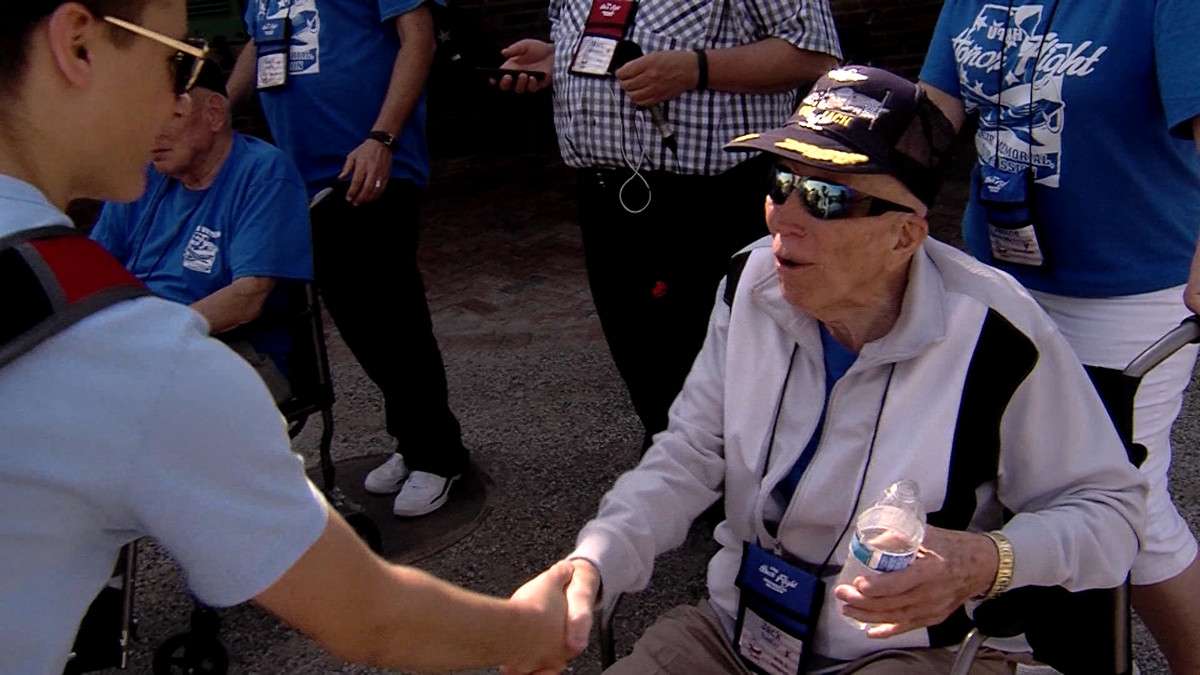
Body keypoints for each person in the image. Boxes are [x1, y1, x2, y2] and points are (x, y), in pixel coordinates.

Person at [0, 3, 576, 674]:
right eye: (174, 60)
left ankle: (430, 448)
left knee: (386, 314)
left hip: (360, 176)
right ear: (79, 46)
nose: (178, 95)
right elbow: (372, 615)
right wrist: (532, 630)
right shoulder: (140, 358)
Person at [536, 66, 1147, 673]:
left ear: (904, 235)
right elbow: (691, 453)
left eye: (827, 196)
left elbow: (1112, 517)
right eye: (780, 182)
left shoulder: (996, 333)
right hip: (737, 629)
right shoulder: (747, 283)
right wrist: (595, 561)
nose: (783, 217)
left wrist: (985, 560)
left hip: (911, 649)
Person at [918, 2, 1200, 670]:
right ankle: (1024, 647)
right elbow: (931, 114)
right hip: (999, 275)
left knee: (1121, 495)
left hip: (1128, 289)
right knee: (999, 477)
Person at [496, 0, 841, 447]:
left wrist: (696, 69)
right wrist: (555, 57)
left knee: (733, 361)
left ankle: (753, 489)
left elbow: (815, 55)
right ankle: (675, 461)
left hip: (714, 200)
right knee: (643, 352)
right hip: (606, 191)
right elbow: (596, 32)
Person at [227, 0, 468, 517]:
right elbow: (258, 40)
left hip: (368, 165)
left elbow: (418, 37)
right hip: (303, 173)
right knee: (358, 319)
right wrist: (220, 107)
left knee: (390, 312)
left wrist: (382, 136)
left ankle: (441, 456)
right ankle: (414, 440)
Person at [90, 59, 310, 402]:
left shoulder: (262, 172)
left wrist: (149, 338)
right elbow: (92, 270)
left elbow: (247, 297)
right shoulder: (142, 176)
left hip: (232, 352)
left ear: (214, 114)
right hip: (139, 348)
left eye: (168, 114)